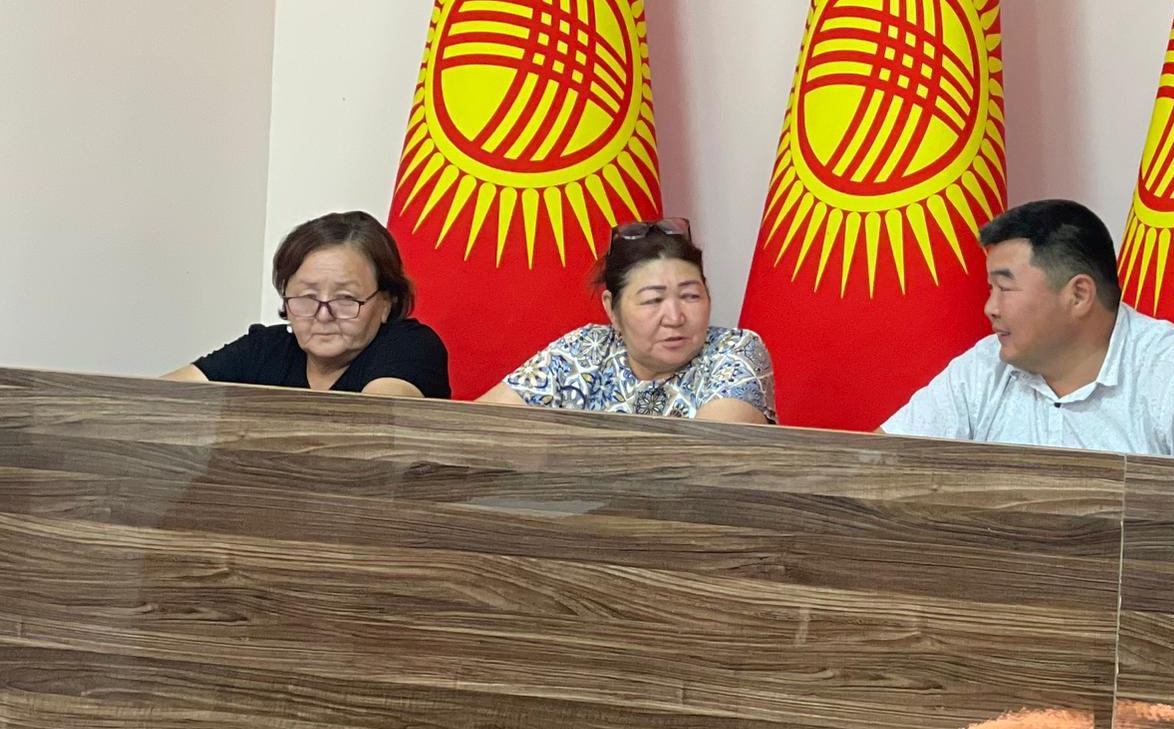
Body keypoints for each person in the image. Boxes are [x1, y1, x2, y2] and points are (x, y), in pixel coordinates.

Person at [882, 199, 1174, 460]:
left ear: (1078, 295)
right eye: (989, 289)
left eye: (1005, 288)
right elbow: (875, 466)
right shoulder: (984, 367)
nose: (990, 308)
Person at [481, 221, 774, 423]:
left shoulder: (735, 352)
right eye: (652, 300)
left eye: (690, 296)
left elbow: (707, 458)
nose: (675, 318)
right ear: (612, 308)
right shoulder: (584, 349)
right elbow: (476, 428)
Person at [169, 210, 449, 398]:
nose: (323, 315)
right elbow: (158, 401)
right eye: (307, 297)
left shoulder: (409, 346)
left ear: (386, 302)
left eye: (345, 298)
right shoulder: (266, 348)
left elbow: (374, 425)